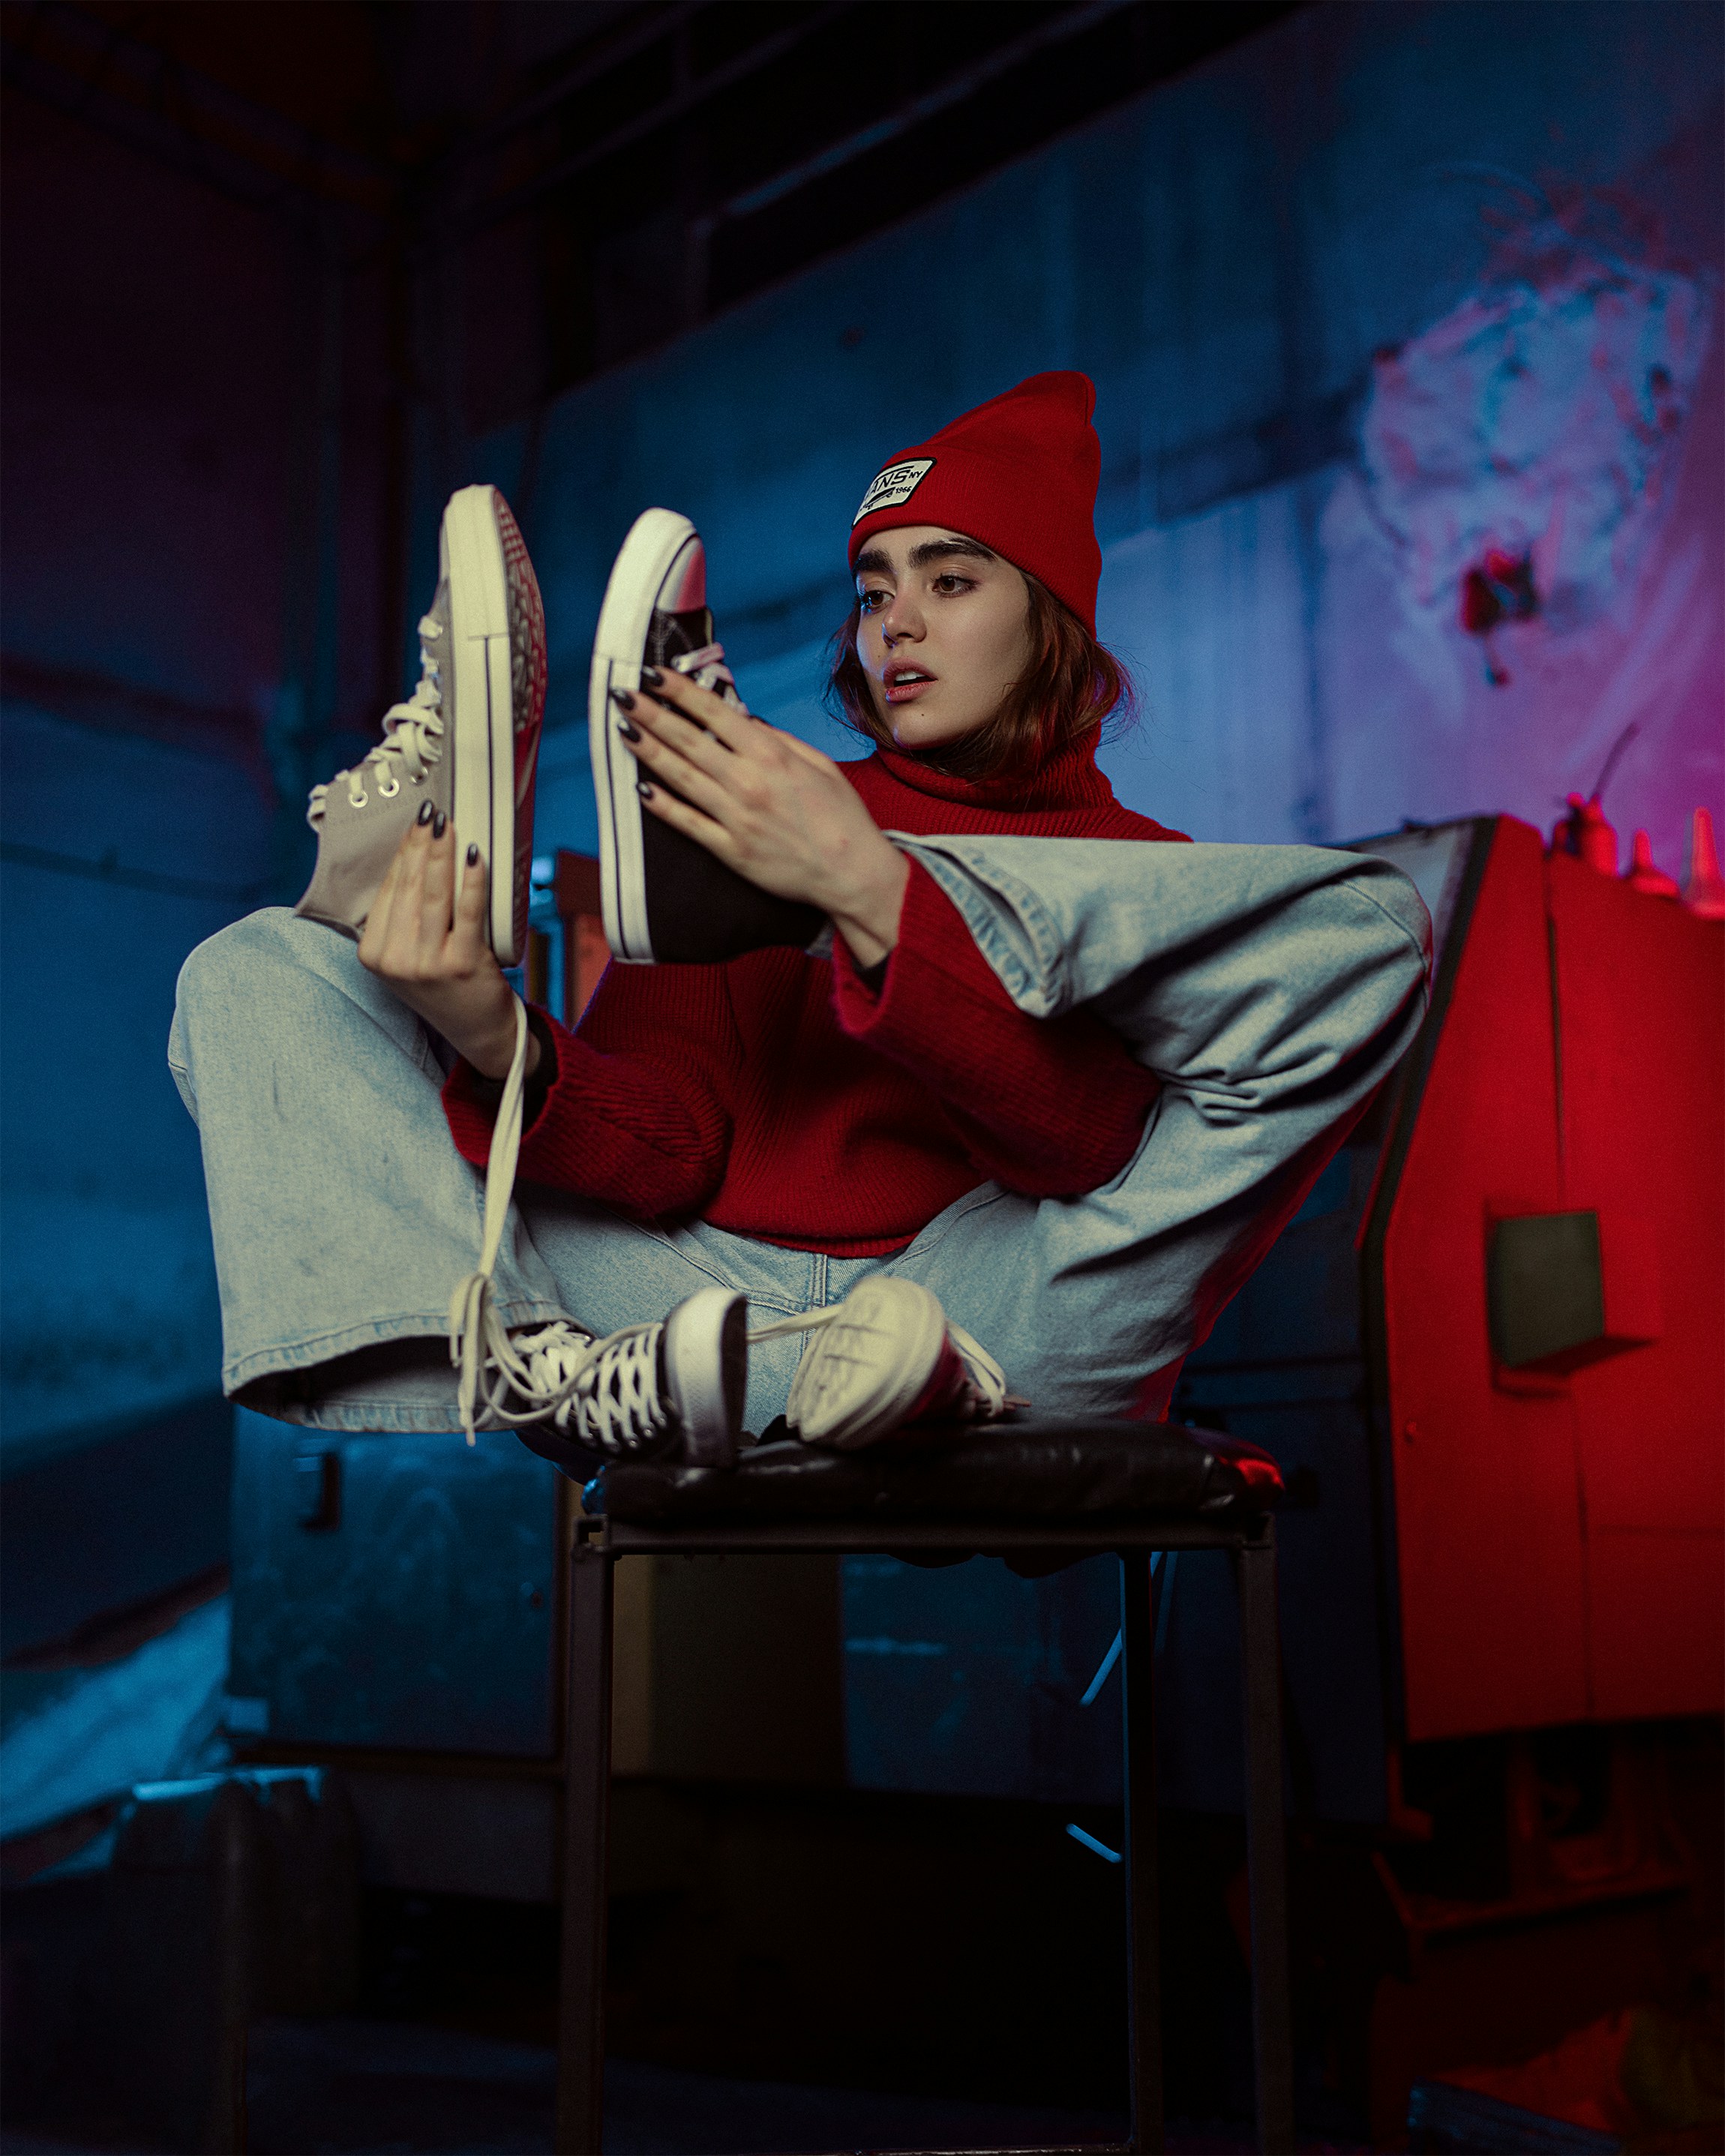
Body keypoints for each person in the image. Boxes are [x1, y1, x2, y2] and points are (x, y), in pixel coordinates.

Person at [170, 373, 1430, 1475]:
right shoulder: (744, 822)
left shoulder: (1148, 876)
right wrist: (492, 1036)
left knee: (1369, 931)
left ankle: (911, 1363)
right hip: (699, 1332)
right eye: (876, 588)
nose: (898, 624)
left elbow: (1092, 1158)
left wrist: (862, 894)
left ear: (1052, 616)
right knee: (257, 970)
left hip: (1004, 1325)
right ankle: (537, 1364)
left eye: (952, 579)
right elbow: (667, 1154)